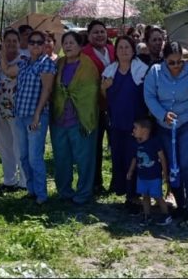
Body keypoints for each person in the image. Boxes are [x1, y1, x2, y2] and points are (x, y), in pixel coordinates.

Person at [144, 41, 188, 225]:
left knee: (187, 166)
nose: (177, 66)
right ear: (164, 60)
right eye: (172, 62)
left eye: (180, 62)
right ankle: (181, 206)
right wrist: (162, 114)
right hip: (165, 126)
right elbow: (149, 96)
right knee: (172, 167)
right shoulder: (154, 72)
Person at [2, 30, 56, 205]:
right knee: (24, 156)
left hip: (36, 116)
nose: (35, 45)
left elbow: (47, 90)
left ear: (44, 45)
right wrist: (2, 51)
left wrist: (37, 115)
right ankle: (31, 190)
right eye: (32, 42)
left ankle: (41, 194)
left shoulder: (46, 64)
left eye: (39, 42)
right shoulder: (24, 63)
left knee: (35, 157)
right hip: (20, 115)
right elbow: (8, 70)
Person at [50, 31, 100, 205]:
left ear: (80, 46)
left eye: (72, 43)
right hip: (59, 119)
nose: (68, 46)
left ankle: (83, 193)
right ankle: (64, 191)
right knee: (61, 159)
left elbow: (92, 91)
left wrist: (71, 94)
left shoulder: (88, 66)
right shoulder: (59, 64)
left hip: (81, 121)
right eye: (66, 43)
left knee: (84, 159)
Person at [101, 35, 149, 210]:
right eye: (120, 47)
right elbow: (105, 97)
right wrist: (104, 88)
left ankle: (135, 196)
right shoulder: (109, 71)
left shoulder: (142, 70)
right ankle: (124, 192)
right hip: (116, 123)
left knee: (134, 159)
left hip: (136, 124)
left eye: (127, 47)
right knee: (119, 159)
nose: (123, 51)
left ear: (133, 49)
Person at [81, 20, 115, 196]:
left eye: (102, 31)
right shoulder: (84, 54)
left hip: (114, 104)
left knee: (116, 145)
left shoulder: (113, 50)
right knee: (95, 147)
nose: (100, 35)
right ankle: (96, 182)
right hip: (94, 106)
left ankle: (117, 182)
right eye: (95, 32)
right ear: (88, 36)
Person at [0, 29, 26, 192]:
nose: (11, 44)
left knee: (18, 146)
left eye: (14, 41)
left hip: (17, 110)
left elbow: (9, 72)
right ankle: (9, 180)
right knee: (4, 146)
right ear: (3, 42)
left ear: (19, 43)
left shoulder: (24, 59)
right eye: (8, 41)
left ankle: (24, 181)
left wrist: (2, 55)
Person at [126, 118, 172, 226]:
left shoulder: (154, 142)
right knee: (144, 196)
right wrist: (131, 171)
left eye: (136, 128)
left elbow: (162, 158)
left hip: (154, 176)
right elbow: (135, 158)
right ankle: (147, 215)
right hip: (141, 176)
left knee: (158, 196)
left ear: (145, 130)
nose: (133, 130)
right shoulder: (136, 144)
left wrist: (165, 174)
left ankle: (166, 215)